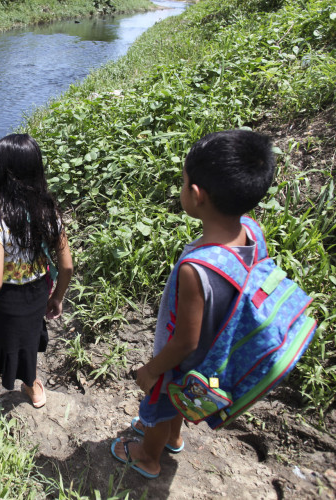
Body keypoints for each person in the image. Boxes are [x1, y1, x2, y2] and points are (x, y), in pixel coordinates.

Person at [111, 129, 276, 478]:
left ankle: (147, 456)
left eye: (183, 182)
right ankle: (173, 436)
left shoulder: (195, 268)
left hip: (184, 359)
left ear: (197, 195)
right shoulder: (252, 230)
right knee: (177, 400)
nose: (182, 188)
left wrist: (153, 369)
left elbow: (185, 341)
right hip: (215, 352)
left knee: (159, 402)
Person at [0, 133, 73, 422]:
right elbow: (67, 266)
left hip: (6, 302)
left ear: (3, 176)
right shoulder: (50, 214)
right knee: (29, 340)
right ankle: (33, 388)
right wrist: (57, 297)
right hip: (37, 294)